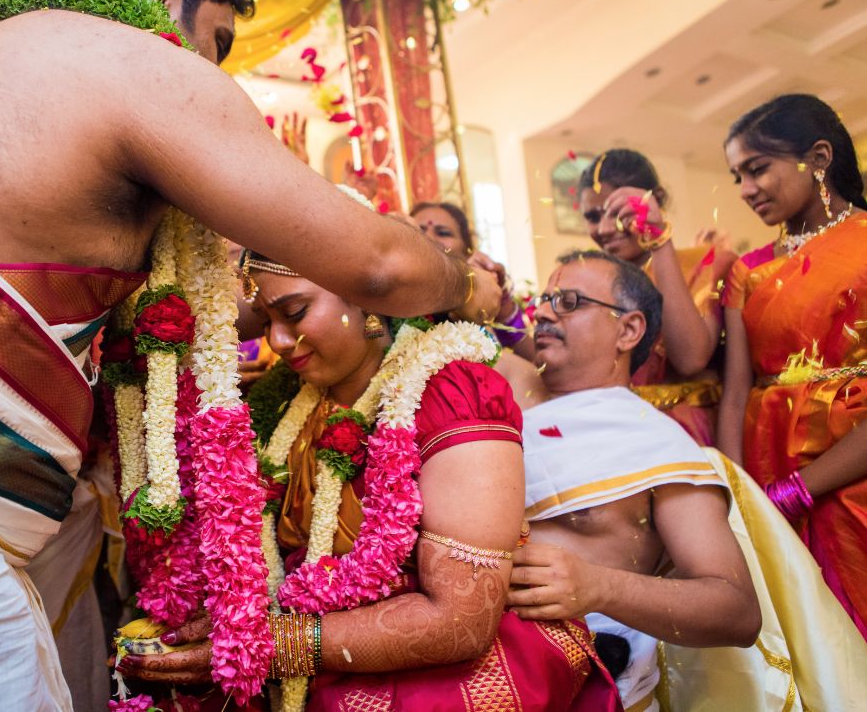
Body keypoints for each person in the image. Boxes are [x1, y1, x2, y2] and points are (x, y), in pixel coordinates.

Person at [0, 0, 507, 708]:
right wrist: (468, 288)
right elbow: (378, 265)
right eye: (214, 41)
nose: (210, 71)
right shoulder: (136, 67)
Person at [116, 225, 621, 710]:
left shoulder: (453, 392)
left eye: (294, 312)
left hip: (448, 672)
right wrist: (236, 621)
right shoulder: (284, 398)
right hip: (310, 644)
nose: (279, 341)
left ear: (367, 300)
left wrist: (266, 643)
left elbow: (463, 620)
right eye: (267, 319)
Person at [506, 250, 761, 710]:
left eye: (568, 301)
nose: (542, 312)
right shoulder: (501, 393)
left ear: (628, 330)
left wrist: (597, 586)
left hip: (587, 682)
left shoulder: (658, 446)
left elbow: (737, 611)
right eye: (544, 299)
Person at [719, 93, 867, 638]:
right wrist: (739, 492)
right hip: (764, 464)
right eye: (737, 175)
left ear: (820, 158)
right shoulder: (749, 270)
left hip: (851, 468)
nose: (745, 190)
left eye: (757, 169)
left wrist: (803, 488)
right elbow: (737, 392)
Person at [577, 149, 736, 445]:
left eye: (617, 212)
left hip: (687, 436)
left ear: (657, 199)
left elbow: (691, 360)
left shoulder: (708, 262)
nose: (605, 228)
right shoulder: (591, 281)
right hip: (613, 433)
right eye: (592, 217)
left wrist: (658, 238)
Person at [411, 201, 537, 361]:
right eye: (418, 229)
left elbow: (533, 363)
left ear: (467, 252)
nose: (428, 237)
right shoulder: (384, 298)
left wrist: (503, 306)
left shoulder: (473, 318)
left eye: (443, 233)